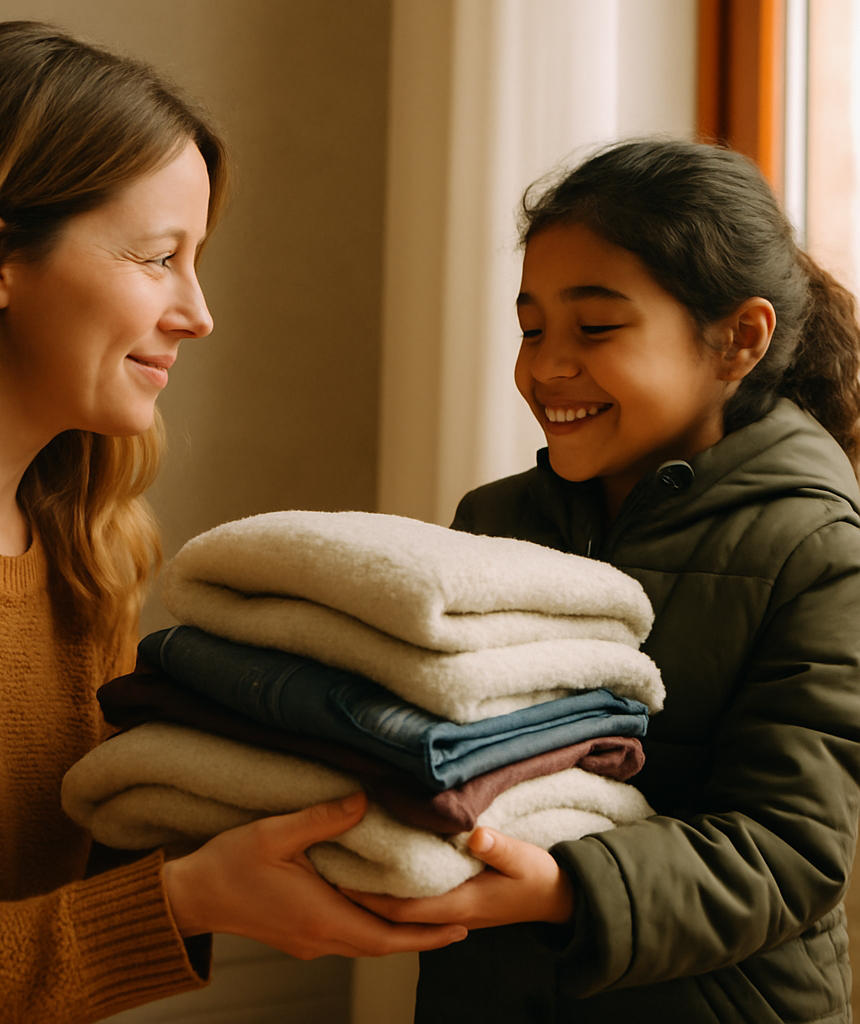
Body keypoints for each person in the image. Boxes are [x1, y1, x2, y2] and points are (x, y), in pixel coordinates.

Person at [0, 21, 466, 1024]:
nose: (197, 311)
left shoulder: (81, 536)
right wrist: (196, 896)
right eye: (158, 257)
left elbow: (90, 852)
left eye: (197, 258)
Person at [348, 139, 860, 1022]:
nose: (546, 365)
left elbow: (792, 852)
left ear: (739, 338)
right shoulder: (493, 522)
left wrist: (563, 889)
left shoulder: (818, 549)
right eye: (531, 327)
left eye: (595, 327)